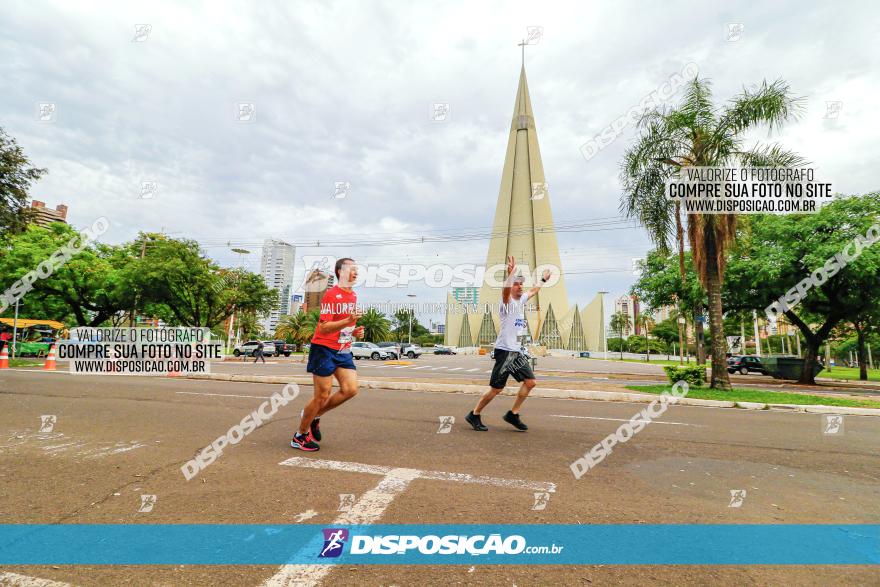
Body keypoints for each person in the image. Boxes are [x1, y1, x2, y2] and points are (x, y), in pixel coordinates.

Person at [466, 255, 551, 432]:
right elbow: (504, 291)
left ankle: (513, 414)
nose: (520, 286)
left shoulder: (521, 300)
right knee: (496, 389)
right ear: (511, 286)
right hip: (504, 351)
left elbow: (534, 291)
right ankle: (474, 414)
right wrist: (510, 274)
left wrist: (543, 279)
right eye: (517, 284)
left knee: (530, 382)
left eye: (521, 284)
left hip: (516, 352)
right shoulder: (506, 303)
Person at [291, 258, 364, 451]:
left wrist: (353, 331)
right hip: (323, 348)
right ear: (340, 272)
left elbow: (344, 325)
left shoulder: (353, 295)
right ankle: (299, 436)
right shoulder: (332, 295)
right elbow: (323, 328)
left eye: (357, 269)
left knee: (350, 389)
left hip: (342, 349)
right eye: (351, 269)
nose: (355, 272)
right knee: (322, 395)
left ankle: (314, 415)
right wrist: (349, 320)